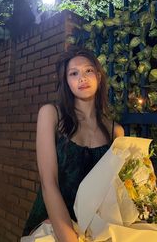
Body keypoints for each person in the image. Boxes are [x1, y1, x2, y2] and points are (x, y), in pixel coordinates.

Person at [22, 46, 124, 242]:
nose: (82, 78)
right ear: (67, 82)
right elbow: (48, 182)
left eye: (88, 71)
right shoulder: (51, 114)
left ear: (99, 77)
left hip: (96, 231)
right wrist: (68, 236)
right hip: (53, 224)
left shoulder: (115, 131)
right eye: (74, 73)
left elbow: (113, 192)